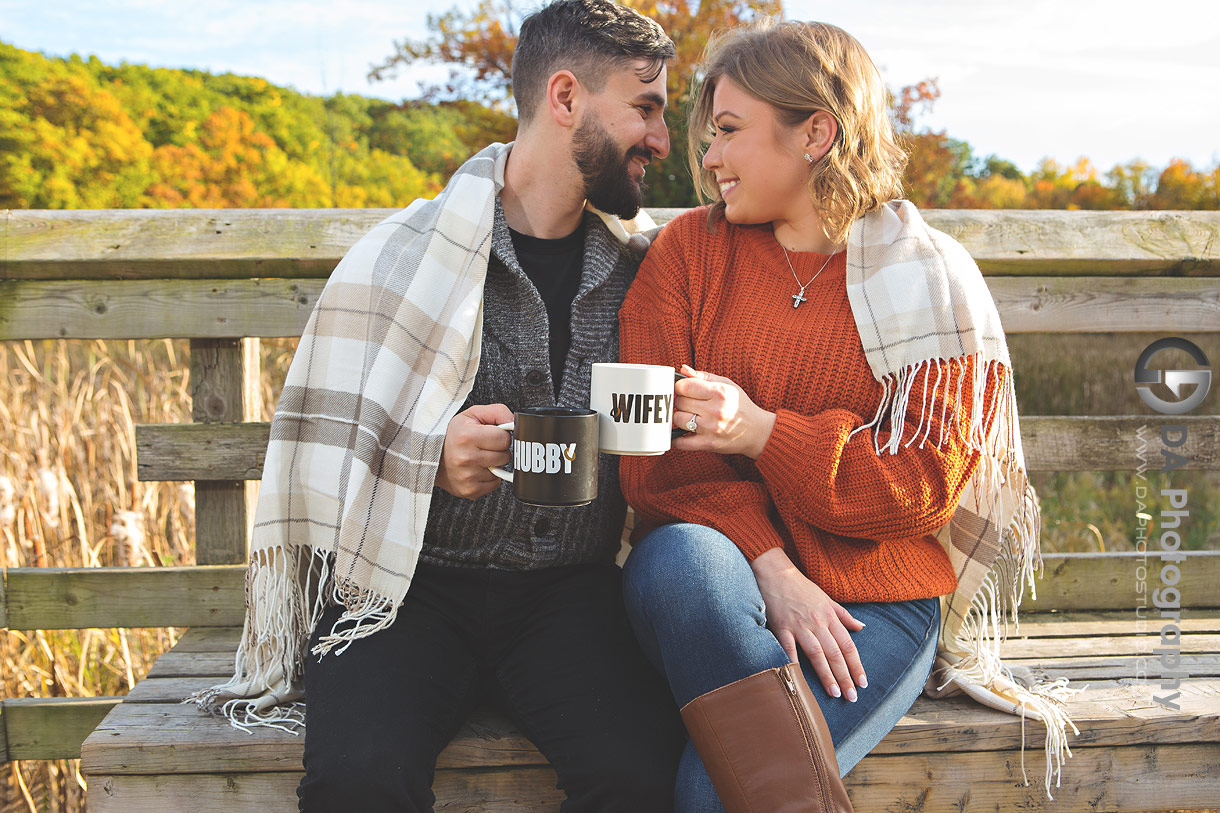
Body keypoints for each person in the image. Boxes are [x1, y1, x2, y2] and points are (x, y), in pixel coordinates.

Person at [188, 2, 685, 810]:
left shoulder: (649, 266)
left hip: (573, 593)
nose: (661, 139)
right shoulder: (399, 257)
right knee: (357, 779)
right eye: (646, 107)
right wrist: (429, 459)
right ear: (566, 99)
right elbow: (327, 451)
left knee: (639, 774)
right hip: (406, 593)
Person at [618, 19, 1073, 812]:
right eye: (708, 136)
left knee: (709, 788)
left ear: (816, 133)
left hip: (872, 604)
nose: (708, 158)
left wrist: (762, 432)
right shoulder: (687, 253)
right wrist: (774, 566)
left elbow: (921, 486)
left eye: (728, 132)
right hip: (713, 586)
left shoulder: (927, 280)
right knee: (687, 560)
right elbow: (652, 459)